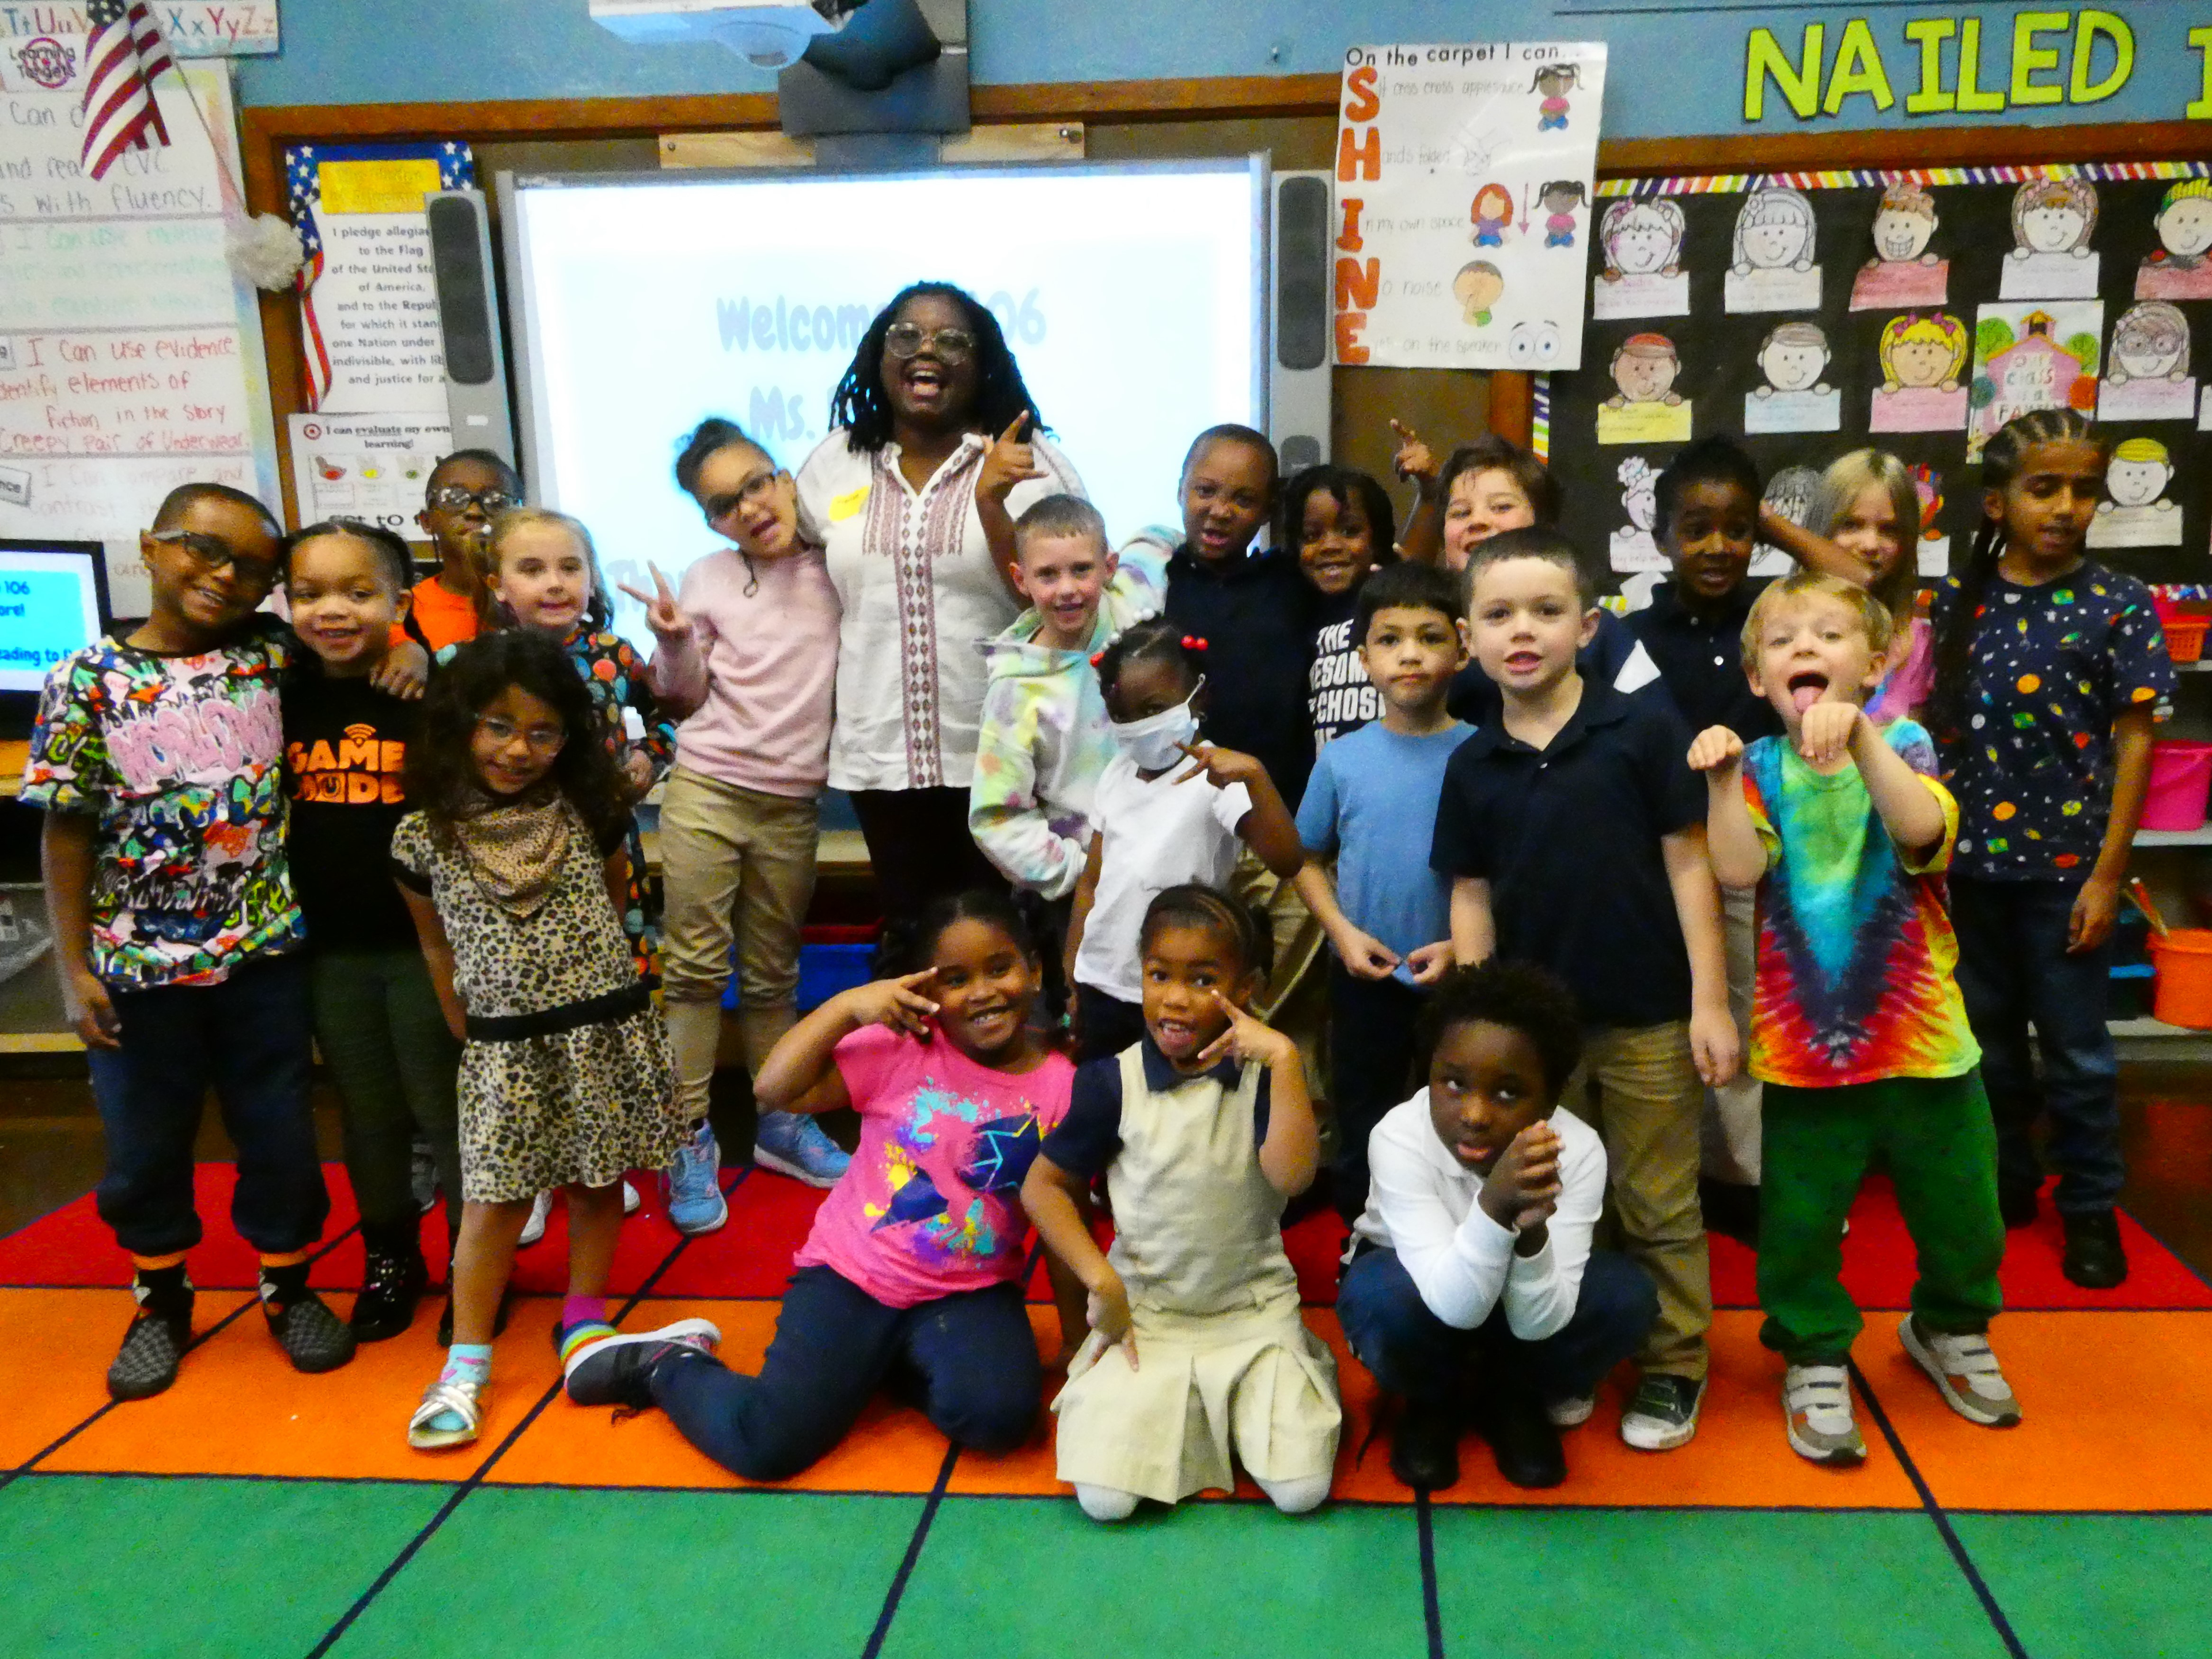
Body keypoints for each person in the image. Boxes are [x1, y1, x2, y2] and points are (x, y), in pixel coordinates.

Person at [562, 891, 1081, 1480]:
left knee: (1001, 1422)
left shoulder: (1062, 1084)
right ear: (926, 992)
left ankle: (888, 1361)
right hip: (853, 1277)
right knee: (767, 1446)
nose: (983, 992)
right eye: (956, 979)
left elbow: (1066, 1218)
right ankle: (663, 1364)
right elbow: (774, 1089)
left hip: (971, 1293)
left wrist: (1076, 1337)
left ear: (1035, 970)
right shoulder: (901, 1049)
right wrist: (847, 1006)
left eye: (1000, 969)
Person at [24, 483, 354, 1400]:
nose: (226, 576)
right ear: (148, 546)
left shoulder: (271, 656)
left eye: (253, 568)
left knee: (280, 1131)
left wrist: (400, 647)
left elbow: (356, 652)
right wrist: (74, 967)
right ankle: (160, 1297)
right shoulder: (86, 680)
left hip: (262, 960)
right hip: (135, 968)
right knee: (145, 1142)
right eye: (204, 550)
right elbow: (65, 830)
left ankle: (287, 1287)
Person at [1693, 570, 2016, 1464]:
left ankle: (1950, 1325)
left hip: (1924, 1041)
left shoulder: (1907, 742)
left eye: (1829, 636)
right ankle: (1814, 1349)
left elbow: (1918, 833)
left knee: (1963, 1207)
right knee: (1799, 1217)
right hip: (1805, 1049)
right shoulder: (1761, 766)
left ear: (1874, 665)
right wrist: (1722, 782)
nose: (1807, 649)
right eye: (1785, 639)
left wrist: (1867, 739)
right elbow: (1736, 873)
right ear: (1758, 678)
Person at [1431, 527, 1734, 1452]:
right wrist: (1479, 1027)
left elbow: (1690, 868)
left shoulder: (1638, 731)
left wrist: (1711, 1004)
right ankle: (1572, 1356)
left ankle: (1676, 1364)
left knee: (1657, 1204)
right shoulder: (1472, 762)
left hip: (1648, 1019)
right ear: (1467, 637)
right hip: (1535, 1049)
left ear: (1589, 626)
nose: (1523, 632)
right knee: (1554, 1205)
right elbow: (1470, 895)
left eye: (1546, 611)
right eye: (1499, 615)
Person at [393, 632, 687, 1449]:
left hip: (599, 1029)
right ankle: (466, 1362)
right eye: (497, 726)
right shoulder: (423, 836)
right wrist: (470, 1031)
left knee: (599, 1184)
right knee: (492, 1206)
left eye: (542, 732)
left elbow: (612, 902)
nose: (518, 749)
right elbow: (434, 944)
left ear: (570, 738)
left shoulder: (591, 813)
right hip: (503, 1044)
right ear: (460, 725)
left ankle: (584, 1324)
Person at [1928, 408, 2174, 1290]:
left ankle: (2092, 1207)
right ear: (1996, 502)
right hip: (1968, 875)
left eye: (2083, 490)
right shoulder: (1961, 601)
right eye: (2046, 488)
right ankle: (2007, 1180)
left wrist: (2108, 876)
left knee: (2076, 1051)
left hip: (2067, 875)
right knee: (1985, 1046)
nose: (2067, 506)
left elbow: (2136, 743)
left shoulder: (2118, 603)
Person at [1024, 884, 1340, 1521]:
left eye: (1203, 980)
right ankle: (1200, 1416)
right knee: (1106, 1500)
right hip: (1152, 1317)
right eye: (1159, 975)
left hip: (1251, 1313)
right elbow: (1042, 1186)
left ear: (1244, 988)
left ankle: (1250, 1405)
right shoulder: (1112, 1081)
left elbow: (1295, 1176)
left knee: (1301, 1492)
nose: (1175, 997)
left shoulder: (1263, 1076)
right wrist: (1101, 1278)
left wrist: (1283, 1059)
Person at [794, 282, 1085, 945]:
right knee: (913, 940)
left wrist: (992, 506)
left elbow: (1069, 610)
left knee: (1000, 940)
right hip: (881, 755)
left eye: (952, 340)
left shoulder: (1032, 465)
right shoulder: (833, 465)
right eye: (907, 336)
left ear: (982, 365)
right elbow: (793, 568)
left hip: (1004, 750)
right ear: (879, 355)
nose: (927, 351)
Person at [635, 417, 847, 1216]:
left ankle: (780, 1122)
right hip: (708, 793)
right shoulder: (710, 576)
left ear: (787, 478)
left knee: (771, 977)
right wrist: (672, 642)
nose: (751, 507)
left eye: (758, 482)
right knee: (692, 970)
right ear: (711, 520)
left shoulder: (837, 566)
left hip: (794, 805)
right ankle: (687, 1137)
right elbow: (682, 695)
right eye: (727, 503)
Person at [1339, 961, 1658, 1490]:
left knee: (1624, 1296)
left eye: (1508, 1093)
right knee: (1379, 1298)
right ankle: (1431, 1399)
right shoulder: (1398, 1136)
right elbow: (1453, 1304)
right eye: (1454, 1084)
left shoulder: (1576, 1150)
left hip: (1518, 1312)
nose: (1476, 1113)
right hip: (1424, 1293)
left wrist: (1531, 1231)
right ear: (1428, 1075)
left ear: (1551, 1101)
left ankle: (1513, 1396)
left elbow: (1540, 1321)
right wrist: (1495, 1205)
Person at [282, 519, 461, 1344]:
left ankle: (473, 1258)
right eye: (311, 592)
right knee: (368, 1113)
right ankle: (391, 1255)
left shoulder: (426, 690)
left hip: (424, 943)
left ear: (398, 599)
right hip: (331, 948)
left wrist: (421, 649)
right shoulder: (279, 687)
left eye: (358, 593)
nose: (333, 609)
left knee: (442, 1106)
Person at [469, 506, 668, 1237]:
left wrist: (651, 756)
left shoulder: (615, 655)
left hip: (605, 863)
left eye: (569, 568)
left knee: (603, 1014)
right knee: (529, 1024)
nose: (554, 584)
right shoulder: (474, 667)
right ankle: (538, 1174)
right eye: (532, 569)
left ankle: (596, 1163)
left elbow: (664, 717)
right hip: (510, 875)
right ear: (498, 585)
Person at [1621, 437, 1781, 1244]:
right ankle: (1668, 1175)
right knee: (1663, 1022)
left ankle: (1741, 1181)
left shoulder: (1778, 626)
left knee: (1745, 1017)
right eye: (1696, 528)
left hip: (1753, 864)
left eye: (1739, 528)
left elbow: (1863, 599)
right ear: (1661, 539)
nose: (1718, 547)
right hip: (1653, 865)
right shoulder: (1626, 637)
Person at [1291, 560, 1471, 1221]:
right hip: (1364, 974)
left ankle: (1453, 1237)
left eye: (1429, 638)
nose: (1411, 656)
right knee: (1363, 1117)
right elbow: (1304, 858)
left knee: (1456, 1116)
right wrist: (1340, 932)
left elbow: (1508, 873)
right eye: (1391, 640)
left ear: (1462, 645)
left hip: (1458, 976)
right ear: (1363, 655)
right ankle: (1363, 1239)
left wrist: (1463, 944)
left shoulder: (1482, 754)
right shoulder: (1342, 759)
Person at [1065, 622, 1305, 1065]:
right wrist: (1073, 971)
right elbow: (1091, 881)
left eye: (1154, 708)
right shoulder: (1116, 775)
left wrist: (1255, 775)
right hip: (1102, 984)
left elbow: (1287, 859)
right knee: (1107, 1105)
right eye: (1123, 715)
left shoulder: (1219, 776)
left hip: (1180, 995)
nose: (1139, 726)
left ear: (1200, 697)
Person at [968, 493, 1166, 987]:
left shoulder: (1132, 603)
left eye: (1082, 570)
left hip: (1167, 865)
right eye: (1048, 576)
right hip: (1082, 890)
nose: (1068, 590)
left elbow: (1161, 539)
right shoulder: (1015, 692)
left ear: (1110, 568)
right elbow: (996, 818)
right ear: (1021, 580)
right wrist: (1084, 877)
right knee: (1091, 1015)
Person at [1391, 424, 1664, 727]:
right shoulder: (1428, 635)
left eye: (1501, 507)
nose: (1478, 521)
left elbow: (1660, 732)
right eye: (1460, 513)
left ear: (1543, 528)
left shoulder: (1597, 632)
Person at [1755, 448, 1931, 723]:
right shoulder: (1782, 631)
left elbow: (1918, 755)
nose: (1870, 545)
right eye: (1851, 525)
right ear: (1820, 530)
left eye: (1889, 530)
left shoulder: (1918, 642)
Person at [1282, 463, 1397, 747]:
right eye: (1311, 536)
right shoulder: (1295, 609)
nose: (1330, 545)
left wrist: (1429, 495)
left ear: (1378, 539)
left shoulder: (1393, 598)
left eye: (1349, 531)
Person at [403, 449, 520, 653]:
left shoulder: (538, 601)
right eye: (454, 498)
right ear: (427, 521)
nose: (474, 512)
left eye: (497, 501)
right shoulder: (404, 611)